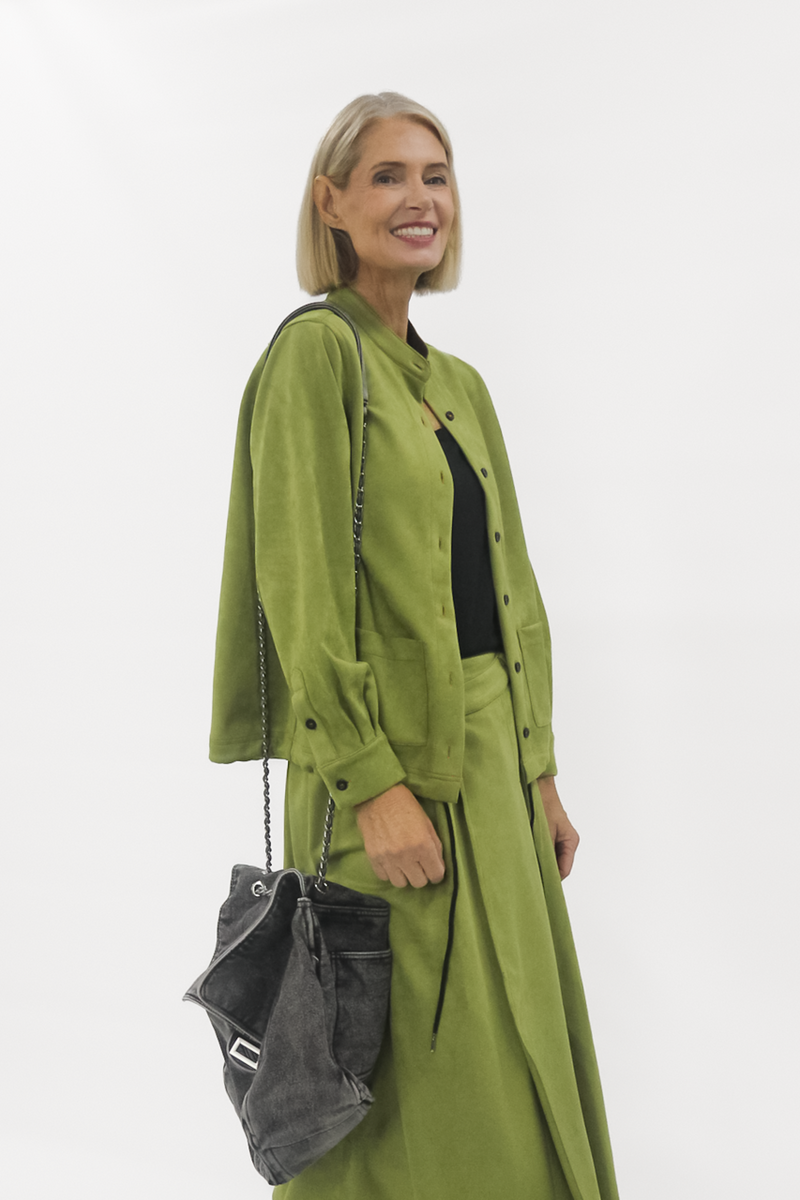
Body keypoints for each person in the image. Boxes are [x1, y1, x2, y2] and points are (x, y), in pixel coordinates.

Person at [210, 92, 619, 1200]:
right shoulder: (317, 356)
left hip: (490, 767)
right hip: (384, 771)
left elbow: (509, 593)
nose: (419, 198)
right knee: (406, 1074)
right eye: (388, 175)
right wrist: (371, 783)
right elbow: (299, 590)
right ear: (330, 202)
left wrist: (537, 770)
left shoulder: (458, 385)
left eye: (435, 176)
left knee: (513, 1047)